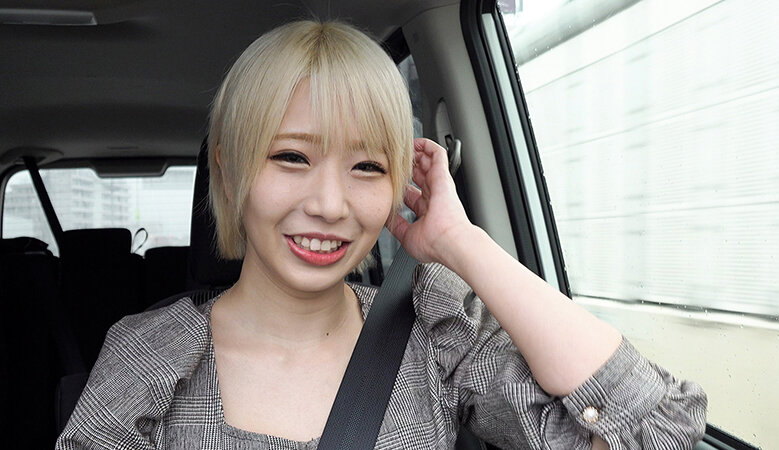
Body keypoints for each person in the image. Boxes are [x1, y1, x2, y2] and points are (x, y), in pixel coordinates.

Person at [56, 20, 707, 449]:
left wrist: (462, 243)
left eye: (368, 167)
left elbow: (657, 429)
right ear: (228, 170)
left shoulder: (433, 334)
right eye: (291, 157)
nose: (330, 204)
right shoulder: (149, 358)